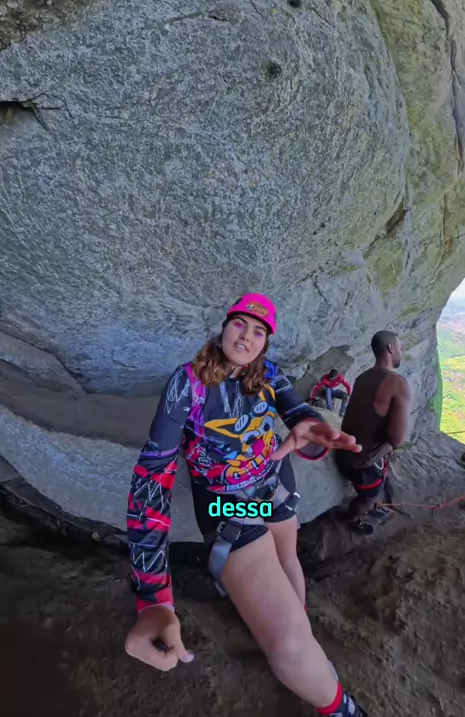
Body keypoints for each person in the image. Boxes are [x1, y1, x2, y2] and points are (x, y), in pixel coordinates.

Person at [125, 293, 368, 717]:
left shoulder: (268, 374)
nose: (247, 336)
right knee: (288, 643)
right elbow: (152, 476)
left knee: (287, 559)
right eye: (240, 324)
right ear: (224, 327)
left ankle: (303, 638)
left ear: (265, 343)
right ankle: (339, 705)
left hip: (273, 486)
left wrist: (313, 427)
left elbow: (298, 413)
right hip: (228, 507)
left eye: (259, 332)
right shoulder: (188, 384)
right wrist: (153, 598)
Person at [335, 330, 412, 535]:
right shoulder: (398, 383)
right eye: (400, 347)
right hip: (362, 462)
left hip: (344, 450)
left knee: (374, 486)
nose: (402, 352)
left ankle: (369, 502)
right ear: (391, 348)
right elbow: (397, 440)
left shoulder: (362, 377)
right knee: (367, 499)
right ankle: (351, 518)